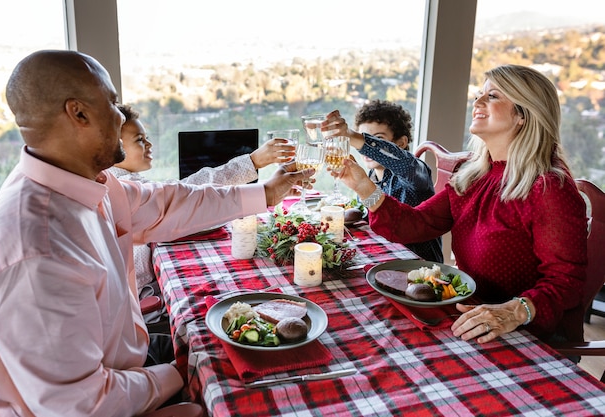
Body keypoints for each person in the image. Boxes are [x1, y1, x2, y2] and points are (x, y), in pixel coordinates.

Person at [0, 50, 313, 417]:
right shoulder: (37, 249)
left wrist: (267, 192)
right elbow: (83, 405)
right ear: (79, 113)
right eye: (112, 102)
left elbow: (172, 203)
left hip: (126, 365)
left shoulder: (88, 183)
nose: (120, 114)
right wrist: (180, 374)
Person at [334, 64, 587, 345]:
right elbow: (416, 225)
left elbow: (567, 281)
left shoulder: (550, 187)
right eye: (479, 94)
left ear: (523, 115)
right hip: (467, 315)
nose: (477, 102)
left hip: (522, 335)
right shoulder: (475, 173)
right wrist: (363, 186)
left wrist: (514, 312)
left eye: (492, 96)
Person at [109, 104, 295, 297]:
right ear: (112, 144)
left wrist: (256, 172)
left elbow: (183, 193)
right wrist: (259, 177)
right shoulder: (123, 189)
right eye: (140, 140)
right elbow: (184, 198)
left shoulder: (121, 181)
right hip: (147, 294)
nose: (150, 144)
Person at [323, 102, 443, 263]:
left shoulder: (414, 176)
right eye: (363, 136)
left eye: (378, 138)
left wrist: (354, 137)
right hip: (385, 261)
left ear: (401, 143)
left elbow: (406, 163)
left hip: (421, 269)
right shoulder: (370, 176)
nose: (362, 148)